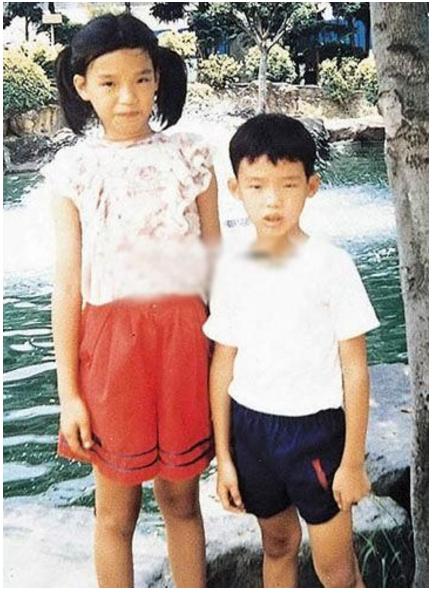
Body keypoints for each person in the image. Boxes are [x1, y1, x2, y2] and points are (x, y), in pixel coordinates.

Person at [43, 13, 220, 588]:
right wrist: (70, 394)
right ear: (82, 86)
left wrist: (226, 357)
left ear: (159, 78)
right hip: (111, 350)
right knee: (115, 513)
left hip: (186, 342)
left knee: (182, 501)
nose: (128, 97)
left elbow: (215, 265)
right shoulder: (73, 171)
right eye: (110, 82)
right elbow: (68, 285)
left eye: (142, 79)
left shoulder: (192, 156)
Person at [203, 113, 380, 588]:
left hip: (315, 432)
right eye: (257, 186)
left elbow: (355, 368)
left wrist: (352, 462)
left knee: (335, 568)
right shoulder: (232, 266)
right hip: (252, 429)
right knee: (277, 545)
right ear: (235, 188)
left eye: (288, 185)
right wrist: (225, 457)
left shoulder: (332, 265)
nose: (273, 200)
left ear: (312, 186)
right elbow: (223, 363)